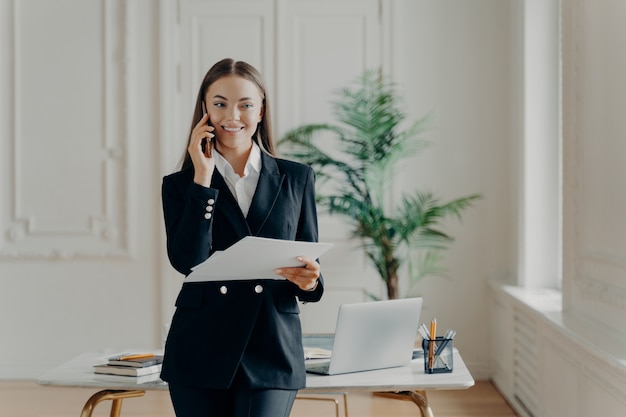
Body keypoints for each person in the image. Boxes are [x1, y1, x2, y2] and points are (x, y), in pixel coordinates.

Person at [160, 58, 324, 417]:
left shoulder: (296, 177)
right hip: (200, 344)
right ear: (204, 110)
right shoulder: (180, 185)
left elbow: (309, 264)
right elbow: (187, 261)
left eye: (245, 105)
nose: (232, 115)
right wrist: (202, 181)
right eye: (219, 104)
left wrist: (310, 282)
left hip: (272, 344)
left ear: (261, 110)